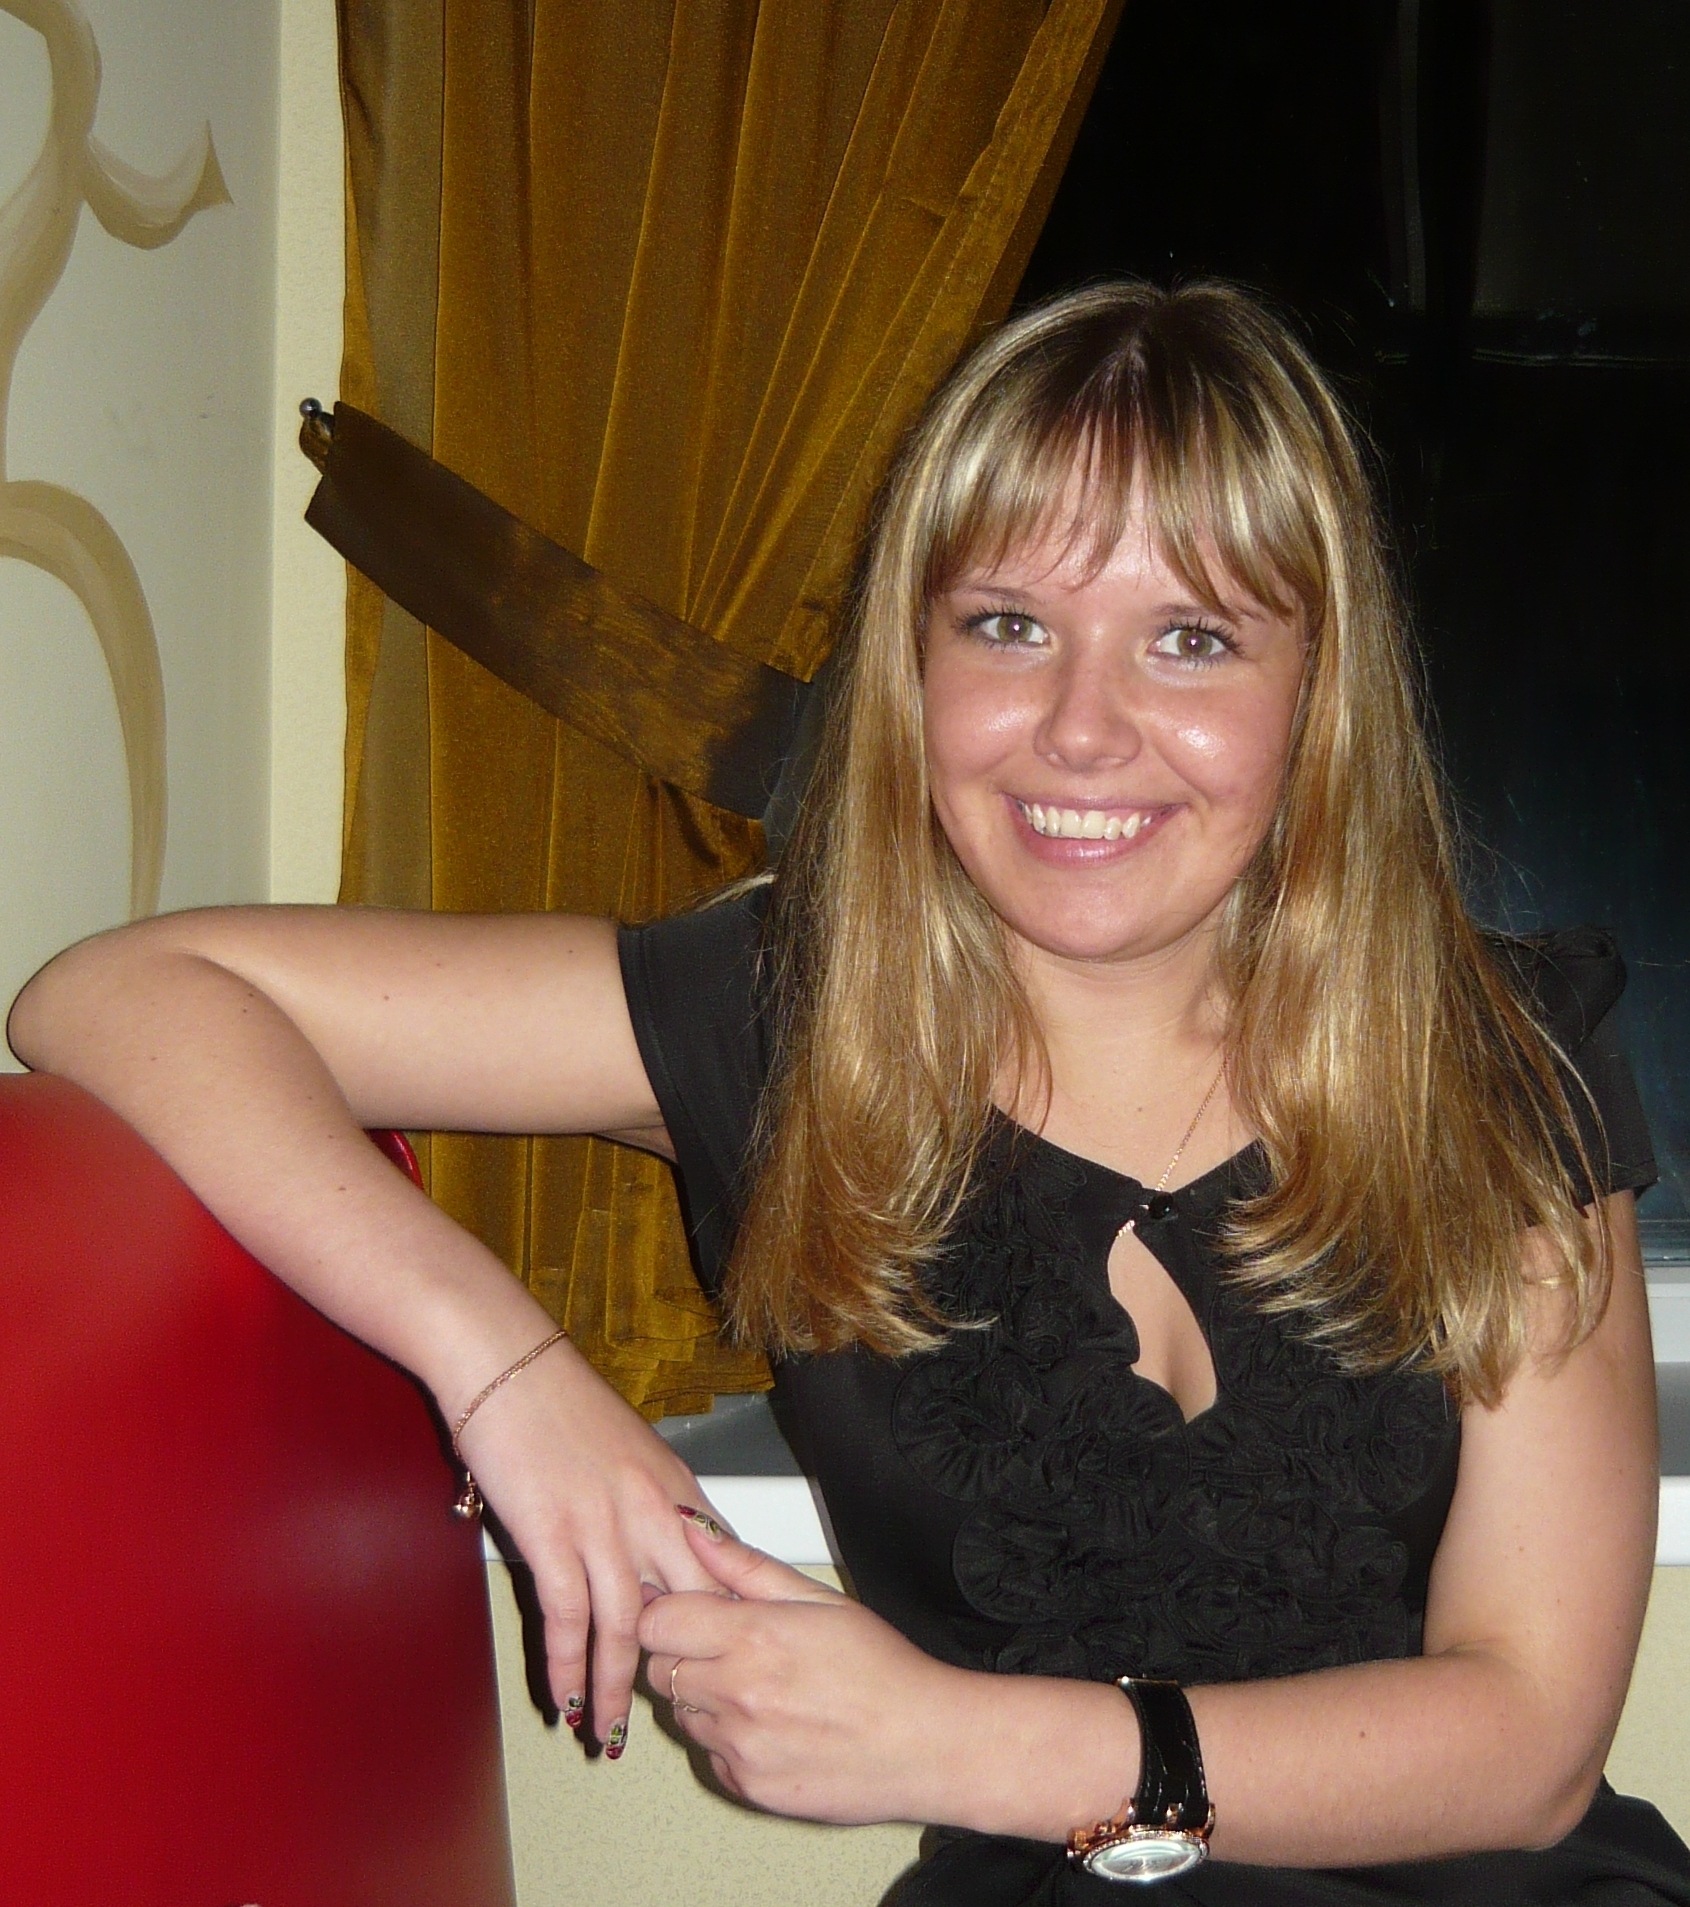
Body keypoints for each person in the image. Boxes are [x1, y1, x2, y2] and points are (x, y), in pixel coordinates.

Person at [10, 281, 1689, 1903]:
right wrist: (504, 1371)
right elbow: (116, 996)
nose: (1080, 728)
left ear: (1316, 696)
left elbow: (1526, 1744)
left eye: (1190, 641)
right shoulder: (782, 1021)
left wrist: (957, 1743)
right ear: (912, 662)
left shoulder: (1496, 1057)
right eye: (1008, 625)